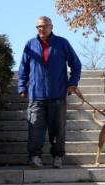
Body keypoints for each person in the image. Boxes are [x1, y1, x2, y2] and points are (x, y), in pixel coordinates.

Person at [18, 16, 82, 168]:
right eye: (38, 26)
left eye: (44, 26)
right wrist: (22, 87)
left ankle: (57, 157)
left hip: (58, 95)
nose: (41, 29)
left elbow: (76, 64)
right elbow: (23, 68)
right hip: (36, 96)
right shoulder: (30, 44)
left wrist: (72, 83)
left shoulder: (62, 43)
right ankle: (34, 157)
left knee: (58, 130)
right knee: (34, 128)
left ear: (51, 27)